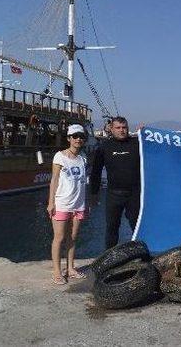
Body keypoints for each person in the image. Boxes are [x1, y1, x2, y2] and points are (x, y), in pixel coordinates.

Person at [90, 116, 141, 249]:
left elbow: (155, 149)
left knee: (137, 227)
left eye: (124, 127)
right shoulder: (104, 147)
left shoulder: (138, 144)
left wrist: (146, 134)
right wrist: (94, 193)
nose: (121, 130)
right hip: (113, 195)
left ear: (128, 129)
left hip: (134, 195)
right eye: (118, 128)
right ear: (111, 129)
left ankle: (141, 256)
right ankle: (109, 259)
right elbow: (96, 171)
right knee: (112, 228)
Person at [47, 124, 88, 285]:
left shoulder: (83, 158)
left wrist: (88, 201)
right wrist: (51, 202)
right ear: (69, 138)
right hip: (62, 203)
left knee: (72, 237)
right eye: (75, 136)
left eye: (81, 136)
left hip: (79, 204)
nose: (78, 139)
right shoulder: (60, 156)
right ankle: (57, 271)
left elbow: (84, 182)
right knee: (59, 238)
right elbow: (54, 180)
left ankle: (70, 268)